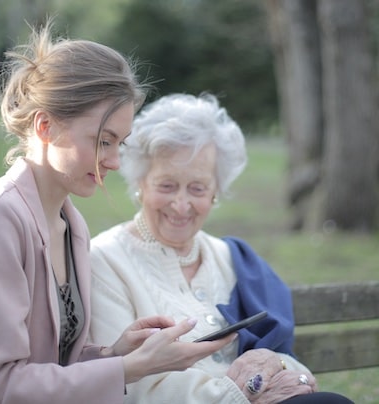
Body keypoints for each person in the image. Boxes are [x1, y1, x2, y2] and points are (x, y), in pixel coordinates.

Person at [0, 23, 233, 404]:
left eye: (120, 143)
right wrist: (128, 369)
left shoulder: (70, 223)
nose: (113, 161)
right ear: (45, 126)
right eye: (102, 141)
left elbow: (54, 363)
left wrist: (116, 353)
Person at [88, 93, 354, 404]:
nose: (181, 204)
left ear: (215, 193)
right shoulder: (104, 260)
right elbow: (130, 386)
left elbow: (285, 360)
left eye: (198, 188)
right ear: (140, 183)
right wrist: (241, 392)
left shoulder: (231, 258)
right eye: (167, 185)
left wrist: (284, 371)